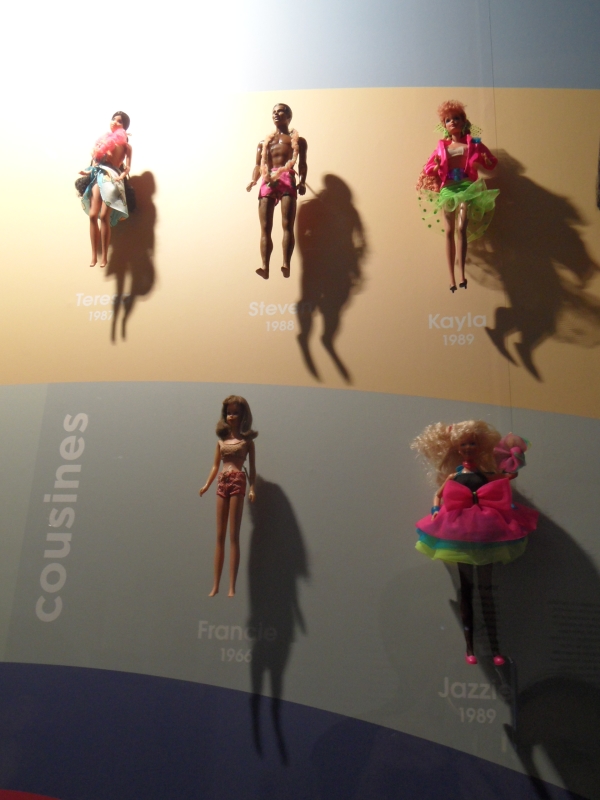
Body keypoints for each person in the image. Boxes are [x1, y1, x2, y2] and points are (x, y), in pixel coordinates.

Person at [411, 421, 538, 664]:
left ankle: (495, 648)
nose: (468, 448)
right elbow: (438, 493)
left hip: (486, 531)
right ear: (457, 448)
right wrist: (435, 509)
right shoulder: (454, 475)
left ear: (479, 447)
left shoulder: (486, 474)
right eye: (464, 444)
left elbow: (508, 476)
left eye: (472, 443)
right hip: (459, 531)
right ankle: (470, 648)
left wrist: (514, 458)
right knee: (467, 590)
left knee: (486, 591)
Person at [416, 101, 498, 292]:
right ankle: (451, 278)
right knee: (448, 231)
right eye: (448, 120)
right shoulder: (441, 147)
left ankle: (461, 275)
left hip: (466, 187)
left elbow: (491, 162)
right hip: (448, 189)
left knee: (461, 229)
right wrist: (437, 166)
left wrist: (484, 160)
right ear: (444, 125)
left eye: (456, 118)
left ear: (463, 121)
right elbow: (429, 168)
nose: (452, 122)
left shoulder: (473, 143)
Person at [199, 396, 257, 597]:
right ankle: (216, 584)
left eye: (236, 413)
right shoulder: (221, 442)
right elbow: (215, 466)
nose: (231, 416)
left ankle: (231, 586)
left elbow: (253, 468)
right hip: (222, 481)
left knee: (234, 535)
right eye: (229, 412)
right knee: (220, 535)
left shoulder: (247, 442)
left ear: (243, 416)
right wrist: (207, 484)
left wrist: (252, 488)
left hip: (238, 481)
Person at [247, 104, 307, 279]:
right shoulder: (264, 143)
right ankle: (265, 266)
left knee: (287, 225)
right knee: (265, 228)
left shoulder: (298, 141)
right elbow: (258, 165)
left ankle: (286, 263)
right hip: (269, 179)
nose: (276, 114)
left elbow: (302, 164)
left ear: (289, 116)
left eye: (280, 111)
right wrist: (254, 180)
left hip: (287, 177)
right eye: (274, 112)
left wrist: (302, 182)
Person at [76, 111, 132, 268]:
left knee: (104, 216)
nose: (115, 122)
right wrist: (87, 171)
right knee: (93, 215)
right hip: (98, 175)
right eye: (113, 119)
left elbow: (127, 167)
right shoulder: (103, 142)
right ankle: (94, 255)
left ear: (125, 126)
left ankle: (104, 257)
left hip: (112, 178)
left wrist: (123, 175)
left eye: (119, 121)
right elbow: (95, 162)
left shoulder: (126, 146)